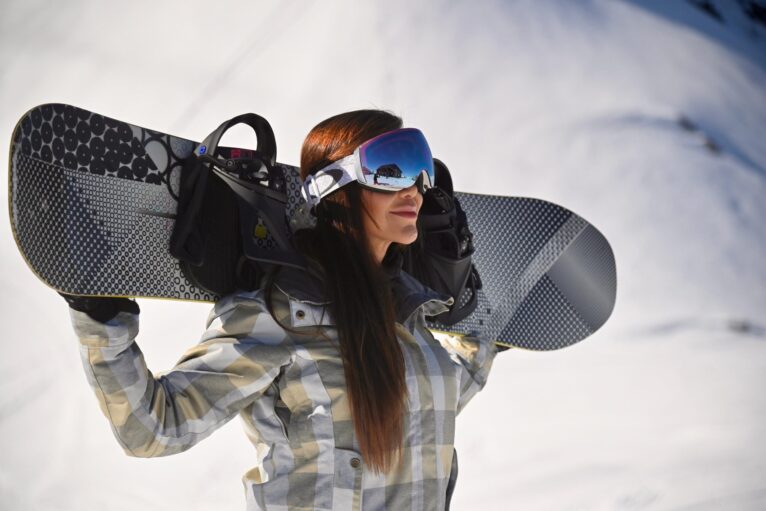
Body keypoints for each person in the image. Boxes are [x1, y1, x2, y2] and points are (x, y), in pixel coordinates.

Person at [63, 109, 498, 510]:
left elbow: (429, 404)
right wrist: (101, 320)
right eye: (390, 169)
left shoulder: (412, 319)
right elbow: (154, 428)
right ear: (335, 187)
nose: (414, 188)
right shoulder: (281, 315)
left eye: (420, 169)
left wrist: (485, 334)